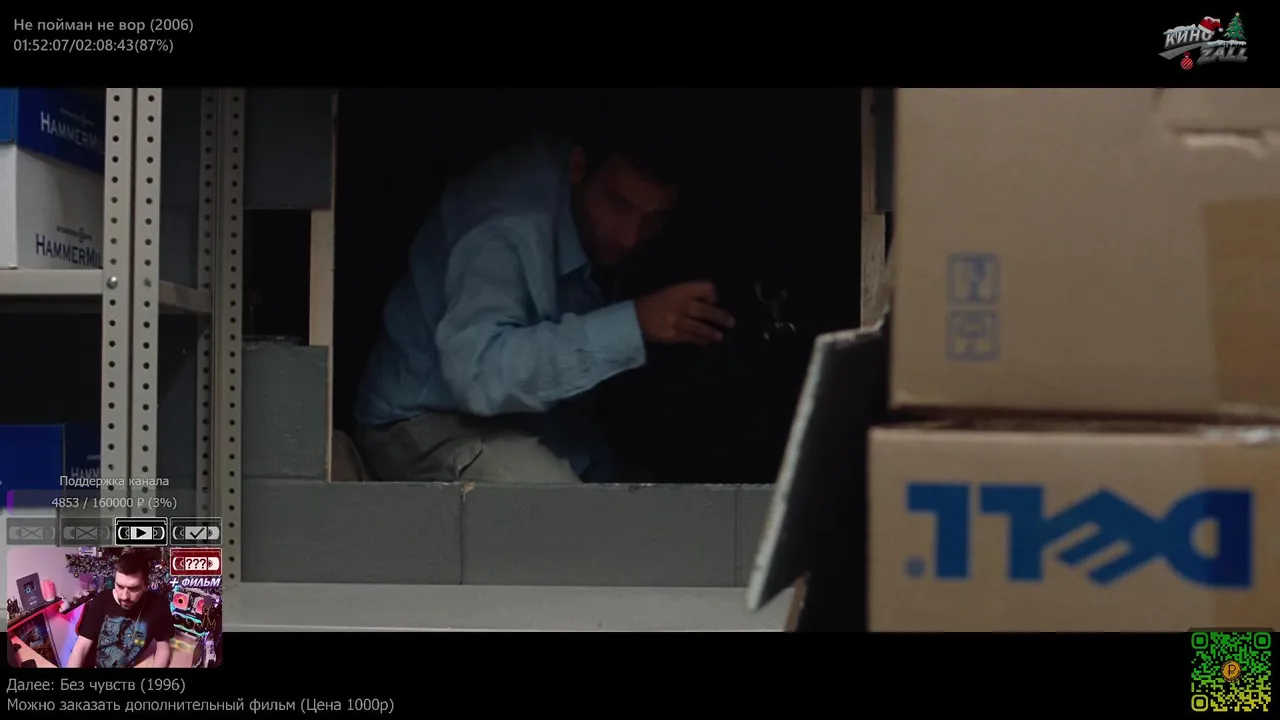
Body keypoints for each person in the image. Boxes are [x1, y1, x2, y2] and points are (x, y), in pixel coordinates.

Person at [354, 111, 735, 484]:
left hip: (533, 423)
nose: (630, 237)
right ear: (578, 167)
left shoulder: (598, 213)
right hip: (424, 422)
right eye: (619, 205)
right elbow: (479, 375)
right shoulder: (510, 223)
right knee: (561, 513)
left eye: (654, 220)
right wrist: (633, 323)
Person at [66, 552, 173, 668]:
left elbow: (163, 648)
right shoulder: (101, 601)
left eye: (133, 588)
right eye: (120, 586)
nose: (124, 596)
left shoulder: (159, 605)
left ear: (146, 585)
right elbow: (81, 646)